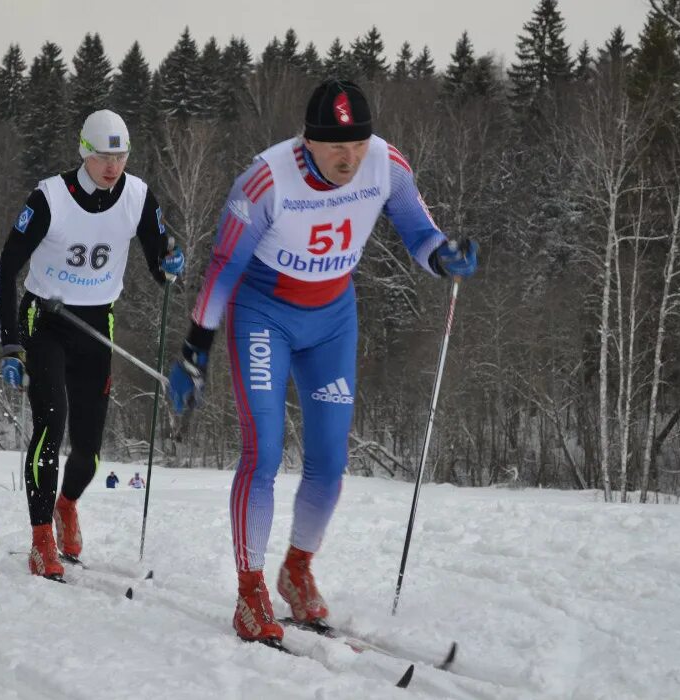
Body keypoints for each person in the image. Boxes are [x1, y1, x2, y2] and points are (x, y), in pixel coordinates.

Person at [166, 80, 479, 644]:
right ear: (306, 141)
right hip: (265, 313)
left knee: (330, 462)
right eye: (336, 145)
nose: (349, 157)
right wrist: (195, 347)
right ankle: (250, 588)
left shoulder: (387, 164)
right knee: (261, 452)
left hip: (333, 317)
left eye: (358, 143)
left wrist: (444, 257)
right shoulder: (265, 181)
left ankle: (297, 567)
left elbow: (419, 232)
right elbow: (223, 268)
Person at [0, 109, 185, 579]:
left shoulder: (138, 196)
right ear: (85, 151)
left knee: (89, 451)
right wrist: (9, 345)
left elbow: (160, 260)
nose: (112, 166)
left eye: (120, 156)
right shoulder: (50, 197)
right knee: (50, 425)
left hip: (98, 322)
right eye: (103, 155)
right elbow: (5, 267)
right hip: (47, 320)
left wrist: (170, 264)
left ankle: (66, 505)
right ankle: (41, 540)